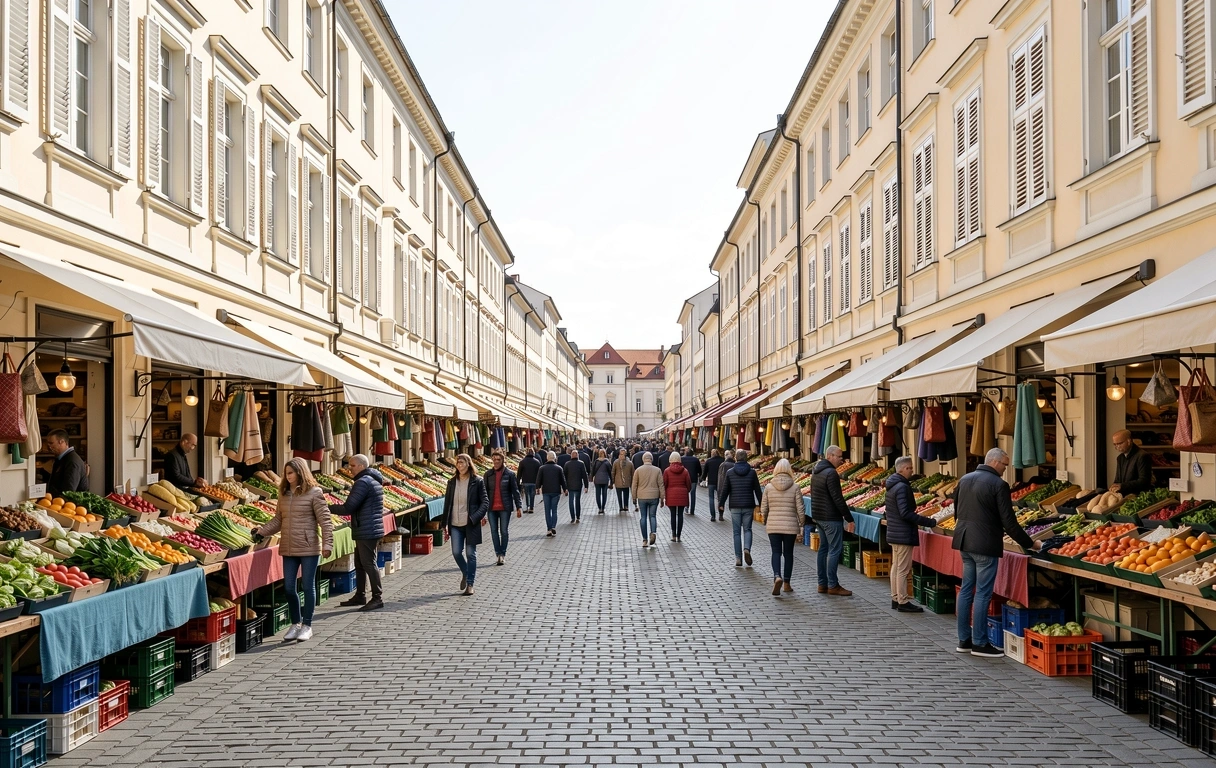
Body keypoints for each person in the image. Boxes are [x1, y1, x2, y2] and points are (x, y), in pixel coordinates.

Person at [952, 448, 1040, 657]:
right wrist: (1030, 544)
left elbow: (957, 511)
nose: (1005, 469)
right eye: (1004, 465)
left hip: (964, 540)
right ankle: (980, 643)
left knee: (966, 590)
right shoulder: (998, 485)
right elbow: (1009, 522)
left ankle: (964, 640)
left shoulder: (964, 479)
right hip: (985, 544)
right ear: (994, 461)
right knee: (983, 593)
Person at [257, 458, 333, 641]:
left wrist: (327, 544)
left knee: (307, 586)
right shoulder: (283, 493)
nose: (288, 476)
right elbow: (278, 520)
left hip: (309, 547)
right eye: (286, 473)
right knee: (289, 588)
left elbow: (325, 520)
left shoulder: (314, 492)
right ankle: (295, 623)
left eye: (291, 473)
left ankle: (307, 625)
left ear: (300, 472)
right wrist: (261, 532)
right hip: (288, 547)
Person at [332, 454, 386, 611]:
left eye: (353, 465)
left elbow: (348, 507)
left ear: (362, 466)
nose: (349, 468)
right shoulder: (371, 480)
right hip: (368, 527)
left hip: (367, 528)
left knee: (368, 563)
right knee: (360, 563)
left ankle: (377, 598)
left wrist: (326, 507)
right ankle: (360, 595)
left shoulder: (363, 482)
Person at [885, 456, 939, 613]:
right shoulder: (902, 487)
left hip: (894, 532)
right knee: (903, 569)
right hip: (903, 533)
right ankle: (902, 601)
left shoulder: (892, 485)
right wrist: (928, 522)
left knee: (896, 566)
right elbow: (905, 513)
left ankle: (895, 598)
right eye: (909, 468)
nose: (911, 471)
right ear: (902, 469)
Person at [811, 445, 855, 596]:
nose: (841, 459)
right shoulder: (831, 473)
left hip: (819, 516)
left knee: (823, 549)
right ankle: (832, 585)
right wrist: (849, 518)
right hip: (830, 517)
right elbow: (837, 498)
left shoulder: (816, 471)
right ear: (829, 456)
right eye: (839, 456)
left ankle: (822, 584)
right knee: (834, 550)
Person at [443, 454, 488, 596]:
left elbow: (485, 502)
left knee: (470, 554)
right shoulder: (451, 482)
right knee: (456, 552)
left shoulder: (477, 481)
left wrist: (475, 517)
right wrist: (444, 524)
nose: (459, 465)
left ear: (468, 464)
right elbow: (447, 504)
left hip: (470, 523)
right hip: (455, 524)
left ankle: (470, 584)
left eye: (462, 462)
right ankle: (466, 571)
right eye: (457, 463)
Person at [761, 458, 802, 596]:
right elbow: (800, 508)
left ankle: (777, 576)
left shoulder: (768, 487)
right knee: (788, 554)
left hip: (773, 525)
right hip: (790, 526)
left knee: (776, 552)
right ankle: (787, 584)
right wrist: (801, 523)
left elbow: (764, 507)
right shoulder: (795, 487)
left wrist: (765, 520)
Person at [721, 449, 762, 567]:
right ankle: (747, 549)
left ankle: (738, 558)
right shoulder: (752, 472)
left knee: (736, 532)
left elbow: (725, 489)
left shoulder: (730, 472)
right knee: (748, 529)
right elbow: (757, 490)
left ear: (736, 458)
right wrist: (762, 503)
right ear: (746, 458)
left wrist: (721, 503)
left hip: (735, 505)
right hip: (748, 505)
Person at [484, 451, 522, 566]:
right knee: (494, 531)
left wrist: (519, 506)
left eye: (498, 460)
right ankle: (498, 553)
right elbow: (484, 492)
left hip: (505, 507)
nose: (496, 462)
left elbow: (515, 491)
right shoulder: (488, 474)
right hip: (491, 508)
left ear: (503, 460)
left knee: (504, 531)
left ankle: (503, 554)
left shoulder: (510, 474)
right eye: (494, 460)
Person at [632, 452, 663, 548]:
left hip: (642, 496)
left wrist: (634, 497)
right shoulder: (657, 470)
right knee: (652, 516)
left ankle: (644, 539)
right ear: (651, 459)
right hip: (654, 496)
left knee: (643, 517)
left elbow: (634, 485)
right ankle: (653, 532)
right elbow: (661, 485)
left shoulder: (638, 470)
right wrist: (662, 498)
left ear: (643, 459)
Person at [44, 430, 89, 496]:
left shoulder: (72, 461)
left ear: (62, 442)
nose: (49, 447)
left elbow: (68, 492)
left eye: (51, 443)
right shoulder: (61, 459)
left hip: (70, 502)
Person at [1111, 429, 1153, 495]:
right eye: (1115, 444)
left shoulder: (1143, 456)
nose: (1117, 447)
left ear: (1129, 441)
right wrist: (1114, 486)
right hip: (1123, 495)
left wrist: (1122, 486)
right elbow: (1117, 480)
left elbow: (1144, 481)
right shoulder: (1120, 458)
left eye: (1119, 443)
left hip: (1138, 496)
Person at [662, 451, 692, 542]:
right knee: (680, 515)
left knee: (673, 515)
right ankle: (679, 536)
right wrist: (686, 490)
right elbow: (688, 484)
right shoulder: (685, 471)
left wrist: (665, 493)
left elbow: (664, 483)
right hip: (682, 495)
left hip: (671, 495)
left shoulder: (667, 471)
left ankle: (673, 535)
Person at [537, 451, 566, 537]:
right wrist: (565, 489)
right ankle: (553, 526)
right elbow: (562, 480)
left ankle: (549, 529)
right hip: (556, 491)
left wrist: (537, 488)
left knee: (547, 510)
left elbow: (538, 479)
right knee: (554, 510)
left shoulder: (542, 468)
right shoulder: (559, 468)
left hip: (546, 491)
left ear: (547, 458)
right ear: (555, 458)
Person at [564, 449, 589, 523]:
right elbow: (584, 475)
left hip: (570, 485)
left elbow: (564, 476)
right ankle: (578, 516)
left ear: (571, 456)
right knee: (577, 501)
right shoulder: (581, 463)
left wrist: (564, 487)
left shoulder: (567, 464)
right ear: (577, 455)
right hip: (578, 485)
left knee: (571, 501)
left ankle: (572, 517)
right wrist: (586, 486)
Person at [680, 448, 702, 516]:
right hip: (693, 478)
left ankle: (686, 507)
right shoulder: (696, 460)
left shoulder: (682, 459)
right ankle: (692, 510)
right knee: (693, 494)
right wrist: (699, 475)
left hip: (684, 478)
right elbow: (699, 470)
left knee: (685, 494)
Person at [704, 449, 724, 522]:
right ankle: (721, 514)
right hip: (720, 482)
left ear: (712, 454)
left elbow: (705, 472)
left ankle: (713, 516)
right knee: (720, 498)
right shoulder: (722, 460)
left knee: (711, 498)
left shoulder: (709, 461)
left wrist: (702, 478)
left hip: (711, 482)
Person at [716, 450, 736, 521]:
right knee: (733, 498)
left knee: (721, 499)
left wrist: (719, 486)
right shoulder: (735, 465)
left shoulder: (722, 465)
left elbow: (720, 476)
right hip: (733, 484)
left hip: (723, 484)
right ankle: (734, 514)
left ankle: (721, 514)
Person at [591, 449, 613, 514]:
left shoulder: (596, 461)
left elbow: (593, 470)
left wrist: (591, 478)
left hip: (597, 480)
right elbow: (610, 472)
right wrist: (611, 481)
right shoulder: (607, 462)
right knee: (604, 494)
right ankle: (603, 508)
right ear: (605, 454)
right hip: (605, 480)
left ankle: (599, 508)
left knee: (598, 494)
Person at [612, 449, 633, 513]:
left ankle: (622, 506)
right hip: (624, 482)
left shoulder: (616, 462)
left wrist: (613, 480)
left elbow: (613, 472)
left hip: (620, 482)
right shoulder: (629, 463)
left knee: (622, 495)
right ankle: (624, 506)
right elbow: (632, 473)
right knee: (624, 495)